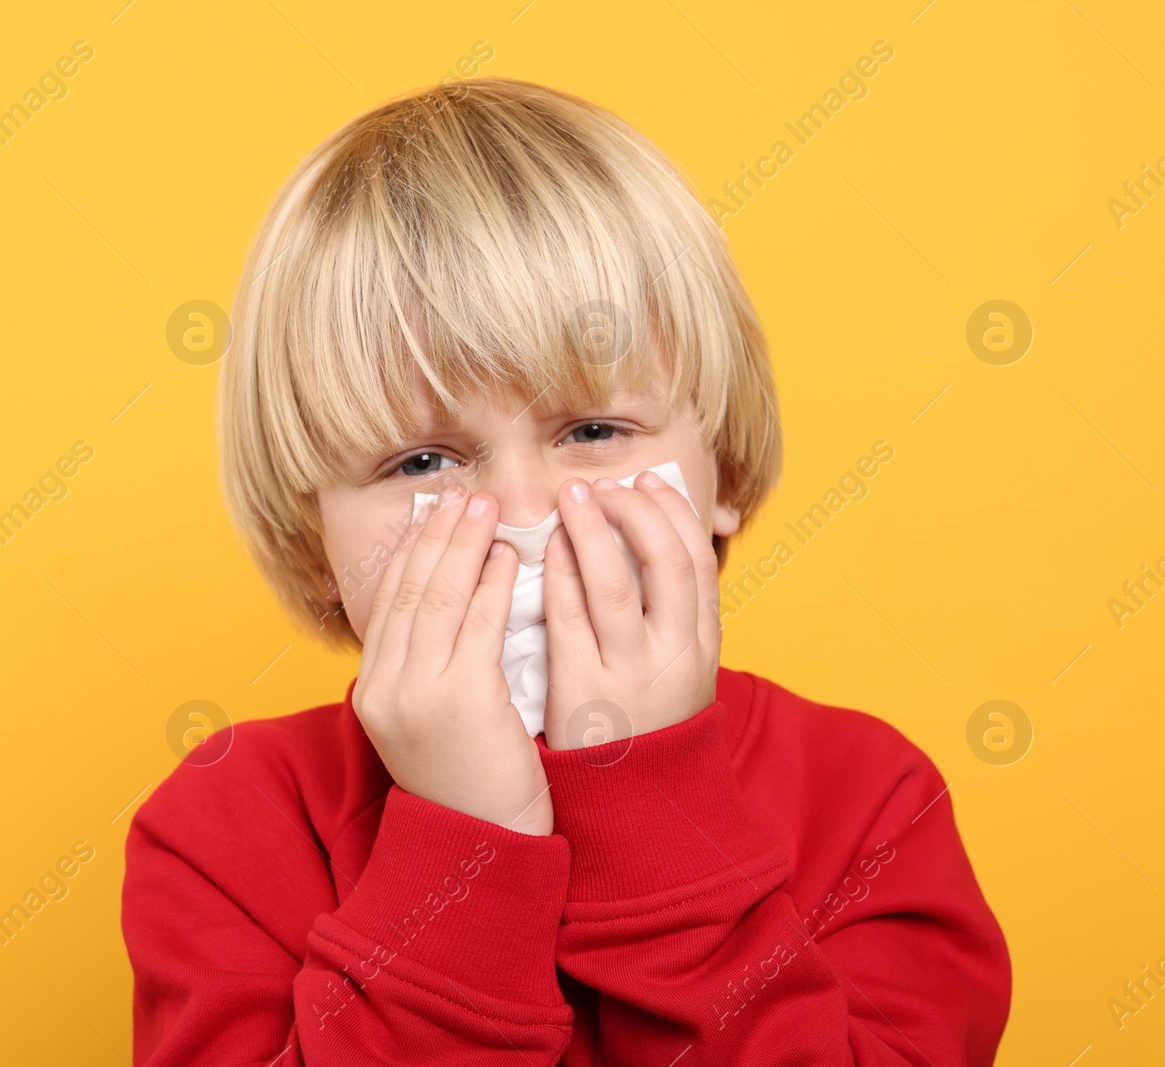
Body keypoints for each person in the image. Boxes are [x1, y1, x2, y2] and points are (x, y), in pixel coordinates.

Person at [121, 77, 1010, 1065]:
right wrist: (466, 840)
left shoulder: (869, 801)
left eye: (593, 429)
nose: (521, 511)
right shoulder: (222, 832)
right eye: (420, 461)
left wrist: (653, 809)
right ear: (313, 544)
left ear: (726, 465)